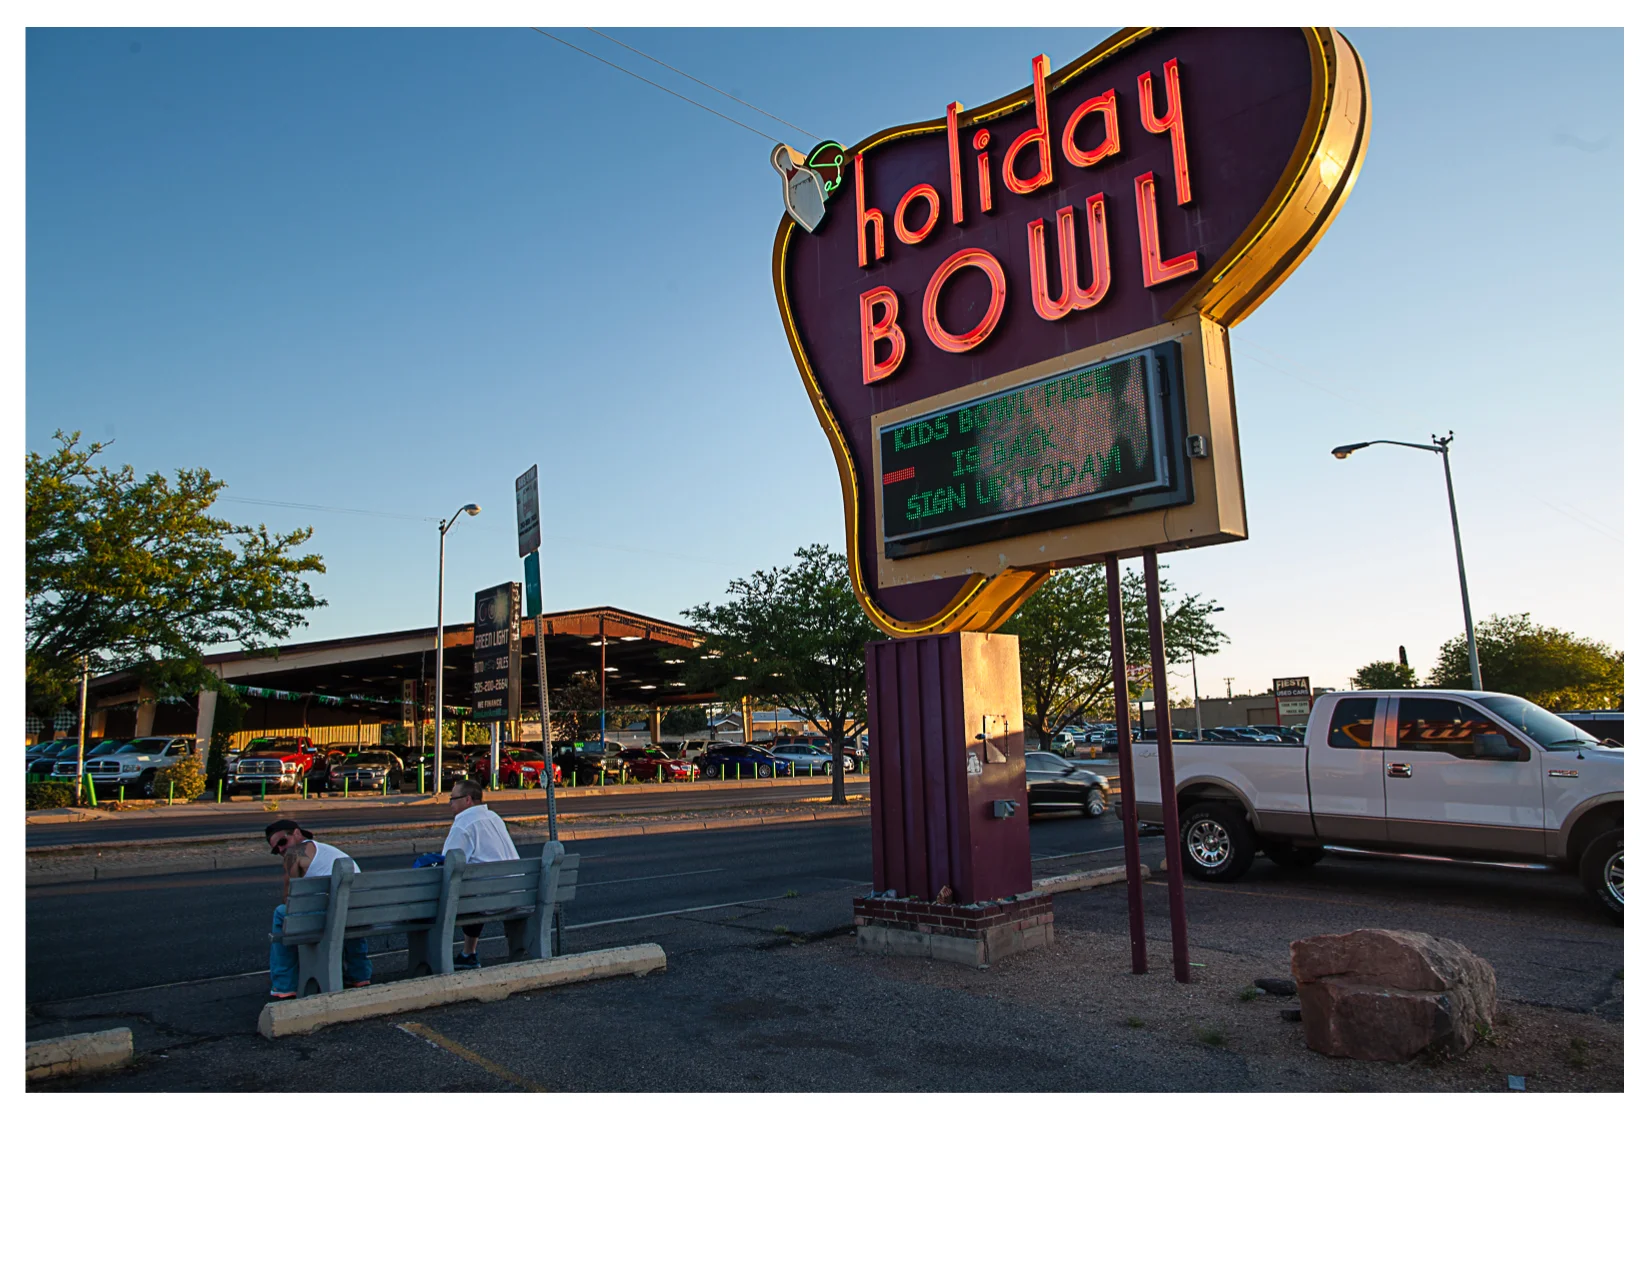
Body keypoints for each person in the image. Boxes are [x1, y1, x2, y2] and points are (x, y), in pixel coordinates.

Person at [266, 819, 371, 999]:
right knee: (346, 909)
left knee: (281, 914)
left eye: (282, 842)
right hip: (358, 913)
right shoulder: (328, 851)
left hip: (332, 915)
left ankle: (284, 985)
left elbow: (290, 899)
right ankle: (359, 975)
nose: (282, 850)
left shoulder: (294, 854)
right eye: (276, 850)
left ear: (297, 833)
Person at [443, 779, 519, 969]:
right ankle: (468, 953)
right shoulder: (494, 817)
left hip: (489, 899)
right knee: (475, 889)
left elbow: (447, 865)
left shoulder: (463, 825)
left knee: (452, 893)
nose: (450, 803)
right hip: (516, 893)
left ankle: (440, 956)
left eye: (453, 798)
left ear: (467, 800)